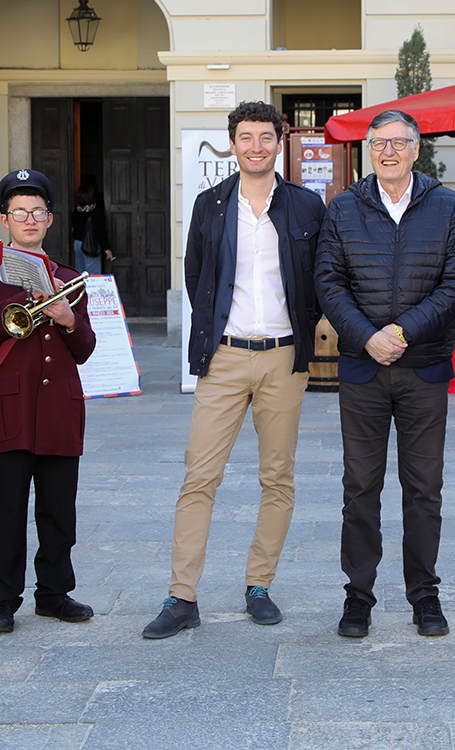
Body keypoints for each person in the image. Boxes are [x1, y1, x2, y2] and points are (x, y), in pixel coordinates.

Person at [142, 101, 325, 639]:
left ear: (279, 141)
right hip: (223, 357)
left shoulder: (306, 207)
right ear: (233, 144)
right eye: (246, 137)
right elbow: (196, 275)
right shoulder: (210, 206)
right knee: (199, 475)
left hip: (284, 359)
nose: (256, 146)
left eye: (265, 137)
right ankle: (182, 597)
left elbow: (319, 277)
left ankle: (259, 586)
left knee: (277, 477)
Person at [315, 110, 455, 639]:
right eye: (378, 143)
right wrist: (367, 336)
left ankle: (424, 597)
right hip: (363, 370)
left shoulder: (447, 205)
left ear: (416, 148)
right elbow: (329, 283)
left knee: (424, 488)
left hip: (424, 370)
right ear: (368, 150)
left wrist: (401, 332)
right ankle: (358, 597)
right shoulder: (343, 208)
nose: (387, 151)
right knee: (360, 487)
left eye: (398, 142)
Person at [0, 169, 98, 635]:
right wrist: (13, 306)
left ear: (51, 219)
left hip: (60, 407)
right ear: (5, 220)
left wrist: (66, 317)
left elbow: (85, 349)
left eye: (38, 212)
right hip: (11, 405)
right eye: (20, 212)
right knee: (7, 509)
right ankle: (1, 601)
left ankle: (54, 593)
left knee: (60, 509)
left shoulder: (72, 280)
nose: (30, 219)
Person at [71, 181, 113, 275]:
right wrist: (106, 248)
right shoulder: (96, 211)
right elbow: (100, 230)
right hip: (89, 244)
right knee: (92, 275)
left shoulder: (76, 211)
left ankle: (80, 290)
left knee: (80, 273)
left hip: (77, 243)